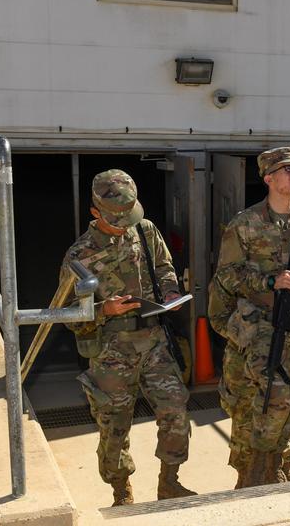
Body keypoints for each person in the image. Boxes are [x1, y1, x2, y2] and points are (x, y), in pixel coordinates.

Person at [58, 169, 196, 505]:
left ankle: (169, 482)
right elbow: (65, 314)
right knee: (114, 426)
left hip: (154, 341)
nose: (124, 223)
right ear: (96, 213)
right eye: (116, 218)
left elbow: (164, 267)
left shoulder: (145, 231)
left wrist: (169, 293)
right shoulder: (79, 256)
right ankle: (121, 491)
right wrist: (105, 310)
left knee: (175, 408)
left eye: (128, 214)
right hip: (111, 351)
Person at [208, 147, 290, 488]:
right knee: (253, 404)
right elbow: (226, 275)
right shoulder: (244, 224)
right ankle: (248, 474)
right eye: (287, 170)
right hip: (255, 329)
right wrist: (267, 281)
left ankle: (279, 464)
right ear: (268, 178)